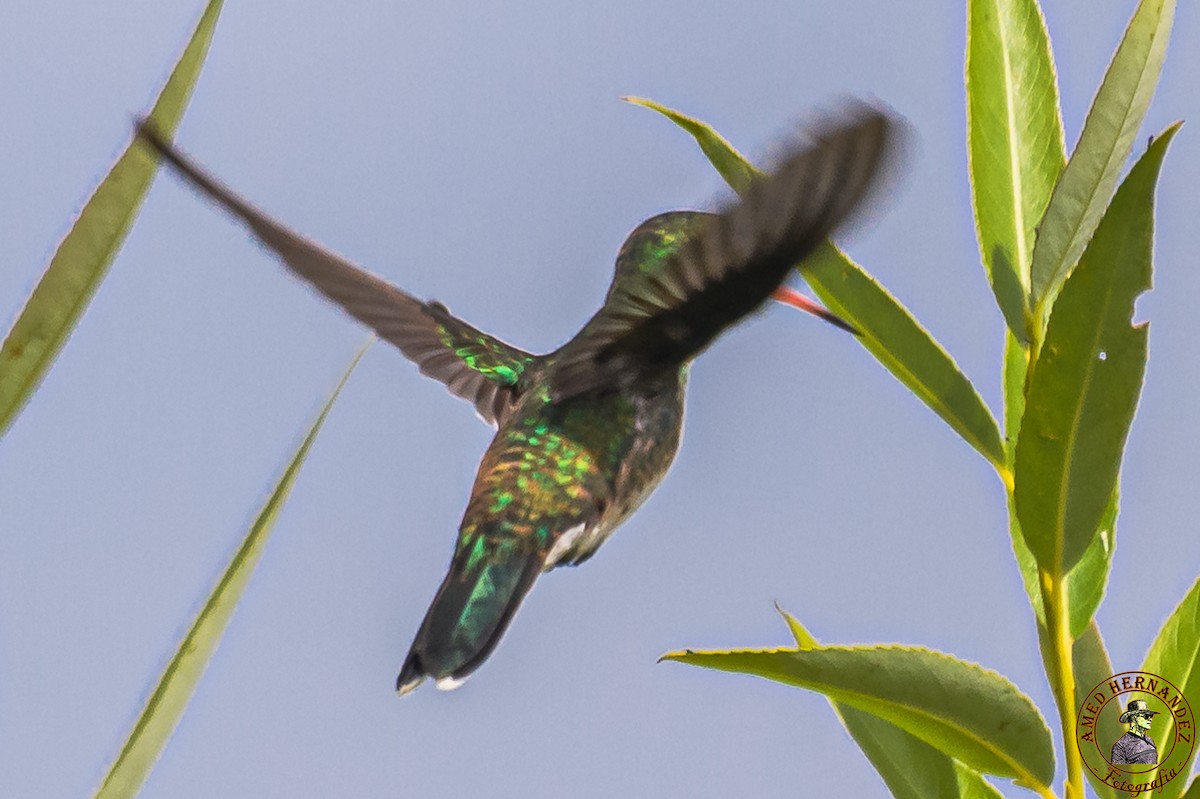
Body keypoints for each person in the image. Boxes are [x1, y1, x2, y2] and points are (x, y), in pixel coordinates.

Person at [1110, 699, 1159, 765]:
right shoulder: (1121, 746)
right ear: (1134, 718)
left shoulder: (1150, 741)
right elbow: (1118, 772)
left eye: (1151, 716)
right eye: (1146, 716)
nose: (1150, 719)